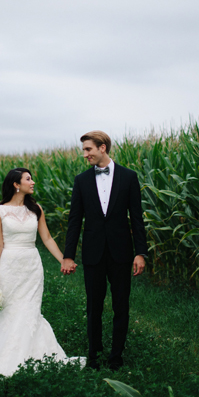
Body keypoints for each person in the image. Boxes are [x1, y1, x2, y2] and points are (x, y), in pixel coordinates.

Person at [0, 168, 84, 381]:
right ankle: (6, 361)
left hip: (32, 265)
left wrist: (63, 259)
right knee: (12, 311)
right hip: (10, 266)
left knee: (31, 310)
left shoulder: (36, 209)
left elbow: (48, 238)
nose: (32, 182)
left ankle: (34, 356)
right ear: (16, 184)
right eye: (28, 179)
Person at [62, 130, 147, 371]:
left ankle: (116, 356)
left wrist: (140, 252)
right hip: (93, 252)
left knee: (121, 304)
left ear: (103, 147)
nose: (85, 154)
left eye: (88, 149)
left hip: (121, 251)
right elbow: (75, 220)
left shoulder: (129, 177)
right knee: (94, 305)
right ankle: (93, 355)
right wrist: (68, 255)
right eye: (83, 150)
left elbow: (137, 219)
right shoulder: (81, 180)